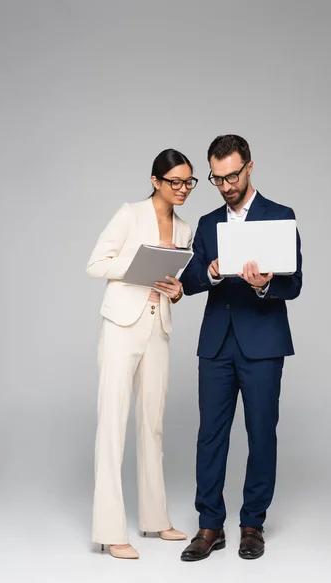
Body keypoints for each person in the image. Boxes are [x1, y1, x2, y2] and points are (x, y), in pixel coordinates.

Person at [179, 134, 302, 561]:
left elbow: (295, 283)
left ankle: (253, 524)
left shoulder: (280, 216)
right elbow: (190, 282)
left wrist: (266, 283)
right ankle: (210, 526)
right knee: (209, 436)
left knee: (261, 433)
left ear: (249, 166)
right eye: (217, 178)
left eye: (233, 175)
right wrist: (210, 273)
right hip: (216, 344)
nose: (227, 185)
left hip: (263, 343)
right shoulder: (209, 222)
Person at [86, 149, 197, 559]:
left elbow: (176, 282)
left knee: (153, 423)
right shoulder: (129, 214)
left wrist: (178, 290)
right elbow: (96, 263)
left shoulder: (185, 229)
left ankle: (155, 519)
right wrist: (139, 261)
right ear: (156, 181)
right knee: (112, 424)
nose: (183, 189)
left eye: (189, 182)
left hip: (158, 327)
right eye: (175, 182)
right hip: (121, 325)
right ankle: (110, 530)